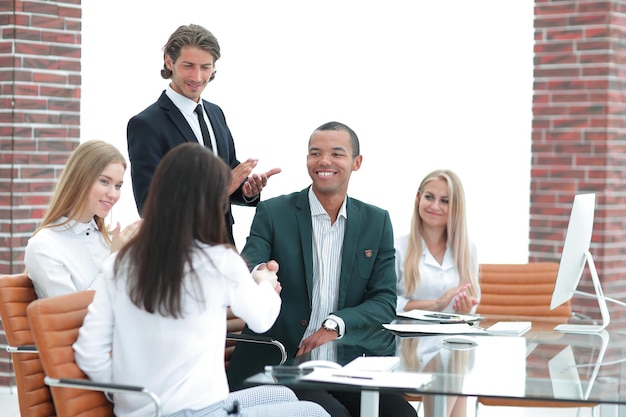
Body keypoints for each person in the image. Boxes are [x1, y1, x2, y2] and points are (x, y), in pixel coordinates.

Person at [73, 143, 329, 417]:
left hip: (148, 411)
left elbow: (89, 352)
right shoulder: (217, 261)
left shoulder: (119, 263)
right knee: (314, 412)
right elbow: (263, 318)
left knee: (282, 394)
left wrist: (126, 395)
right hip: (201, 411)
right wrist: (265, 283)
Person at [227, 122, 417, 417]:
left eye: (336, 154)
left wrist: (335, 324)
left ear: (357, 162)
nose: (324, 161)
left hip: (345, 367)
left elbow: (384, 301)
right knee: (332, 414)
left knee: (402, 414)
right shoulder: (274, 212)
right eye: (315, 153)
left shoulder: (376, 221)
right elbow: (250, 262)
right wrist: (262, 274)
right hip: (283, 364)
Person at [127, 23, 280, 245]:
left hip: (225, 247)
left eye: (205, 67)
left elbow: (227, 172)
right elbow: (148, 206)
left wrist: (246, 190)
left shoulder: (216, 113)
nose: (197, 77)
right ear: (169, 62)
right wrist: (221, 188)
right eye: (188, 65)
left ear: (214, 67)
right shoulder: (146, 125)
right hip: (178, 253)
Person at [24, 140, 140, 299]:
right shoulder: (44, 246)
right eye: (104, 181)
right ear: (80, 179)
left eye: (118, 186)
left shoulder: (110, 241)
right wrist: (114, 261)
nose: (113, 194)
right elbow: (72, 316)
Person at [395, 169, 480, 316]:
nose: (435, 206)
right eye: (429, 197)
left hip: (454, 336)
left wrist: (466, 309)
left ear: (456, 207)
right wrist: (436, 305)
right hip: (410, 336)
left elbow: (474, 300)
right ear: (418, 198)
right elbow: (387, 303)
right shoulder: (397, 248)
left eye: (445, 201)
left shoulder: (468, 249)